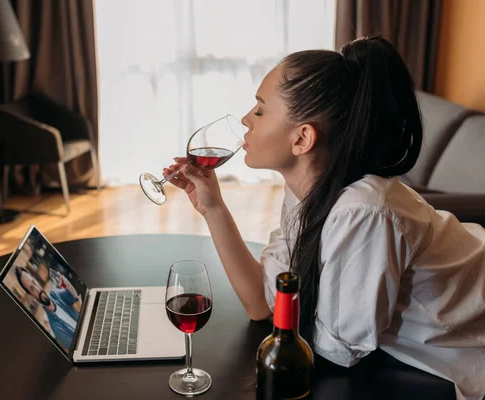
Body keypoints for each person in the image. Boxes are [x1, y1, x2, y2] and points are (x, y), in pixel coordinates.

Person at [163, 35, 485, 400]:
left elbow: (339, 350)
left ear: (302, 139)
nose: (244, 120)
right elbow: (260, 302)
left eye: (259, 110)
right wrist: (213, 207)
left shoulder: (363, 213)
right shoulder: (307, 191)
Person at [15, 266, 81, 351]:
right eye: (32, 289)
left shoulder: (55, 294)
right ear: (31, 294)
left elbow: (75, 298)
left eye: (33, 282)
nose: (37, 289)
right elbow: (76, 349)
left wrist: (70, 288)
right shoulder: (55, 326)